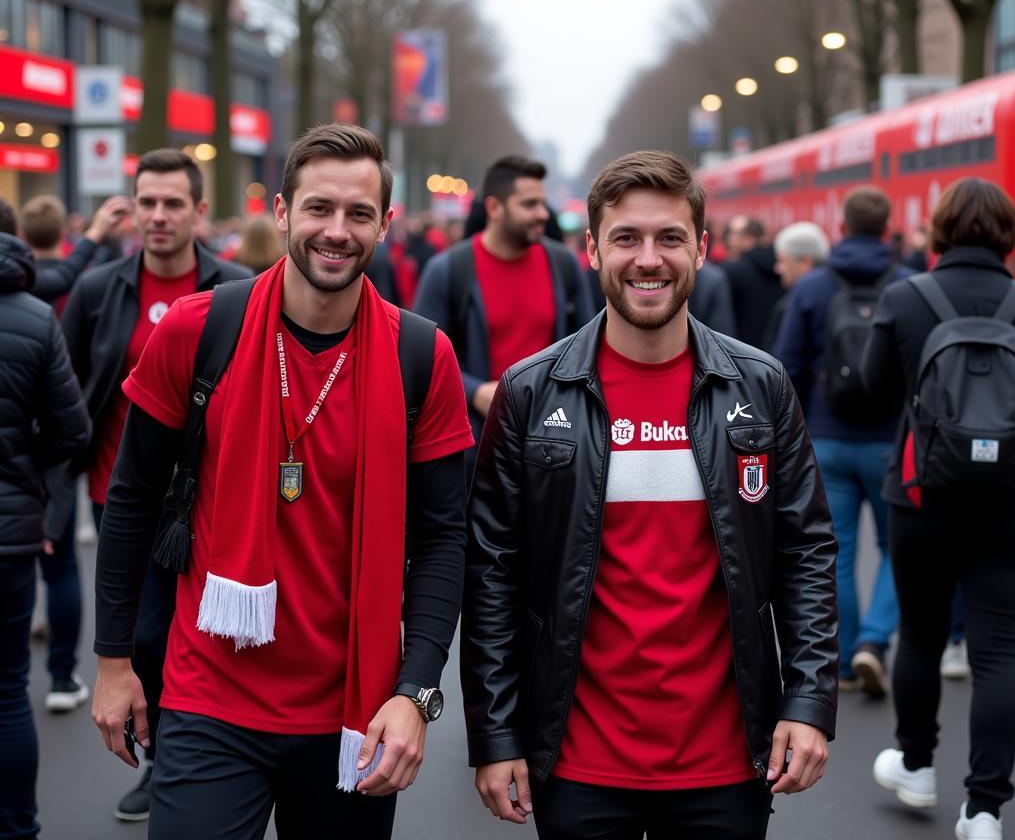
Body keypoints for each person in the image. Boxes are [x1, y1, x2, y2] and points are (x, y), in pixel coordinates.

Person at [91, 124, 474, 840]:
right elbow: (132, 498)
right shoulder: (198, 330)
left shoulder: (423, 355)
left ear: (385, 225)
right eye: (319, 209)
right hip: (210, 699)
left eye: (359, 214)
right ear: (280, 213)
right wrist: (113, 662)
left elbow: (443, 537)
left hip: (352, 713)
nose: (337, 231)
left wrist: (416, 693)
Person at [462, 150, 838, 840]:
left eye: (669, 238)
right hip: (576, 762)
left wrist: (809, 702)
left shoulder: (760, 385)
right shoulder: (529, 390)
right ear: (592, 249)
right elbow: (492, 572)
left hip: (726, 763)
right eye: (627, 238)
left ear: (701, 247)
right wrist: (495, 734)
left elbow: (806, 552)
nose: (648, 259)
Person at [62, 148, 251, 822]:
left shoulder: (236, 290)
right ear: (131, 208)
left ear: (200, 212)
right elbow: (70, 386)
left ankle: (185, 761)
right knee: (140, 637)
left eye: (174, 203)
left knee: (191, 636)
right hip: (120, 494)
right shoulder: (98, 290)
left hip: (207, 503)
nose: (159, 216)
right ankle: (158, 755)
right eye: (147, 202)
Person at [862, 178, 1015, 840]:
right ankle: (984, 809)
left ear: (940, 228)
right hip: (1010, 498)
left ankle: (918, 766)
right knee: (996, 651)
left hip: (922, 495)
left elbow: (873, 390)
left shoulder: (906, 297)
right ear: (1009, 235)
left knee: (922, 636)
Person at [774, 189, 912, 696]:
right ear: (886, 226)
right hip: (890, 443)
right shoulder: (907, 285)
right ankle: (875, 641)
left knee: (838, 551)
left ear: (842, 225)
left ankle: (848, 661)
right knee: (896, 546)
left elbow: (785, 367)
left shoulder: (812, 287)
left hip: (826, 439)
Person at [18, 192, 131, 717]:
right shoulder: (47, 300)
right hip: (39, 454)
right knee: (59, 564)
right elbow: (70, 410)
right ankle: (62, 674)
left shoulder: (52, 285)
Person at [0, 201, 91, 840]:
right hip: (10, 527)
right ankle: (18, 828)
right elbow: (72, 431)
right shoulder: (34, 318)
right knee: (8, 691)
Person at [414, 155, 594, 456]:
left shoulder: (564, 265)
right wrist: (475, 392)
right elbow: (420, 357)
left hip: (553, 442)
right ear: (494, 208)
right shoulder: (446, 270)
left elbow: (588, 347)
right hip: (474, 446)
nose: (542, 214)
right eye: (529, 204)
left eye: (541, 202)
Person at [21, 193, 131, 306]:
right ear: (63, 232)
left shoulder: (19, 282)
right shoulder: (84, 281)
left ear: (23, 236)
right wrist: (97, 233)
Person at [721, 215, 785, 348]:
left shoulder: (732, 270)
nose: (729, 239)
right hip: (773, 351)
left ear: (748, 238)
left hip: (740, 351)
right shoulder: (781, 267)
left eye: (734, 234)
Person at [765, 220, 830, 351]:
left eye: (782, 261)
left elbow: (785, 360)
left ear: (805, 262)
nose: (778, 268)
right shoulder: (836, 294)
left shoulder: (791, 305)